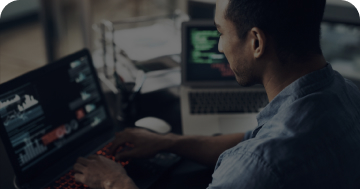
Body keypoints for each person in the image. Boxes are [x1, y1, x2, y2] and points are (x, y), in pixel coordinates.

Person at [73, 0, 360, 188]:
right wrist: (168, 142)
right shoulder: (347, 94)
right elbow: (256, 139)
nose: (219, 47)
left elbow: (260, 156)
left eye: (221, 33)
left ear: (256, 42)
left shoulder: (254, 171)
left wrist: (116, 183)